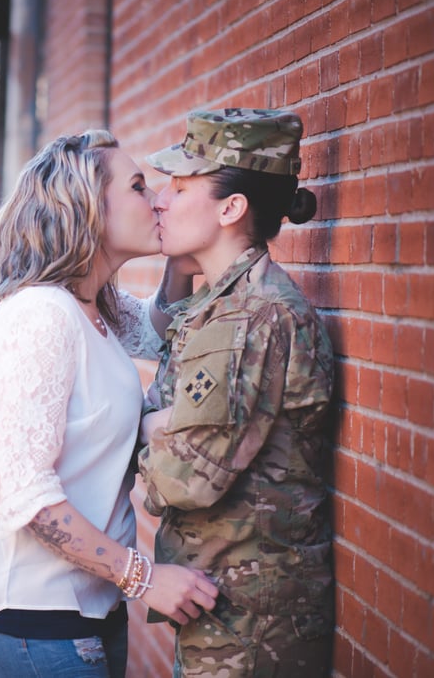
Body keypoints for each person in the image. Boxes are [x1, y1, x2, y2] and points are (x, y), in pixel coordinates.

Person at [0, 129, 219, 678]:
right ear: (90, 208)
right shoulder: (43, 316)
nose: (158, 199)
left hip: (79, 616)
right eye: (139, 187)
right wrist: (144, 577)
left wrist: (184, 264)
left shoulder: (92, 308)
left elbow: (155, 328)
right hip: (31, 625)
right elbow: (25, 494)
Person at [136, 108, 336, 677]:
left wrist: (146, 428)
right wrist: (158, 425)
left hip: (253, 633)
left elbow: (182, 480)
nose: (160, 200)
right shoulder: (219, 306)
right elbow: (162, 416)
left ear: (231, 208)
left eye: (180, 188)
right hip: (227, 612)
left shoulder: (254, 317)